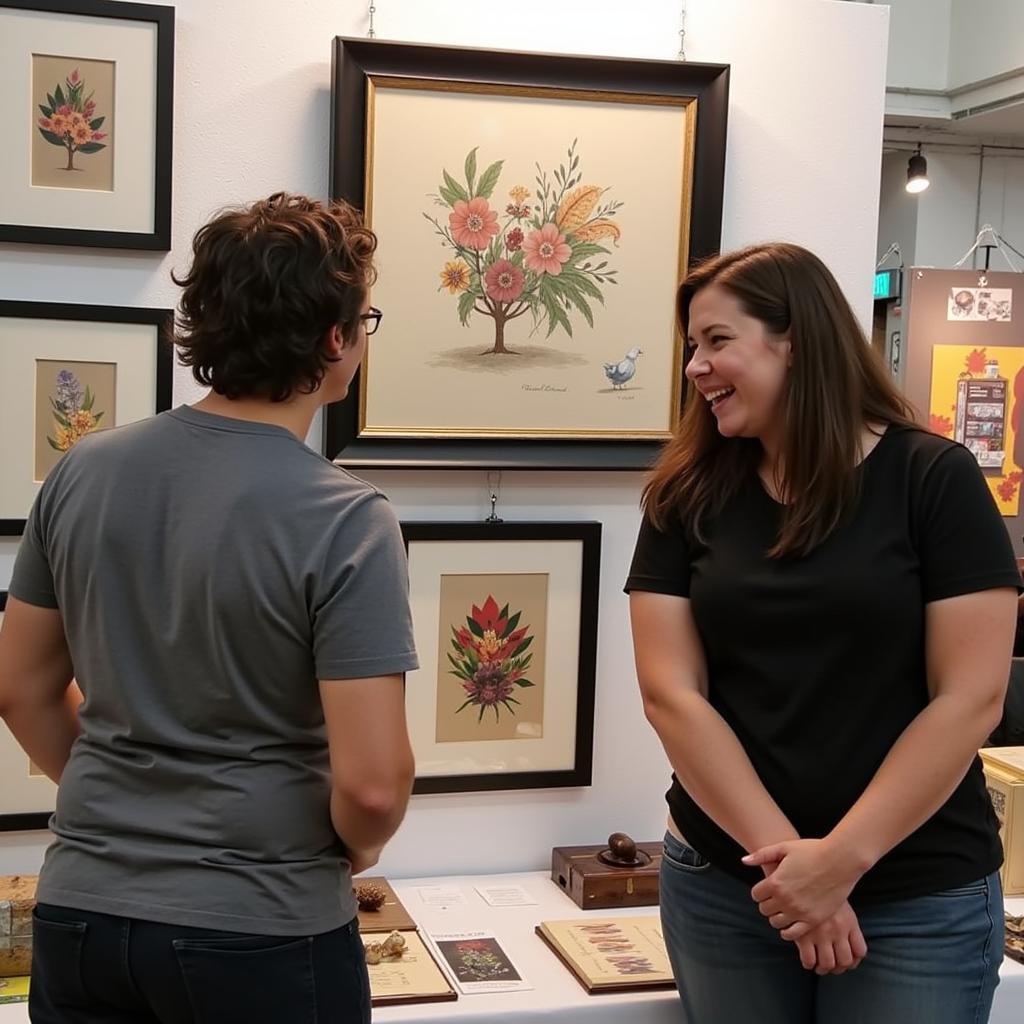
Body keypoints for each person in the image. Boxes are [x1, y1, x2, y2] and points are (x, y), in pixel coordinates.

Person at [0, 192, 417, 1024]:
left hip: (82, 911)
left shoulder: (83, 471)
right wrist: (353, 850)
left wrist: (130, 807)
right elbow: (372, 789)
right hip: (261, 926)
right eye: (365, 317)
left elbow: (20, 690)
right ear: (335, 338)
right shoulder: (344, 517)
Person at [626, 242, 1019, 1023]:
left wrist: (841, 861)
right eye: (691, 348)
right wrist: (794, 877)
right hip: (727, 887)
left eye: (716, 341)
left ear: (796, 339)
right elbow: (672, 695)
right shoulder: (686, 495)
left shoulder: (933, 480)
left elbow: (969, 697)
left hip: (917, 896)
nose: (695, 368)